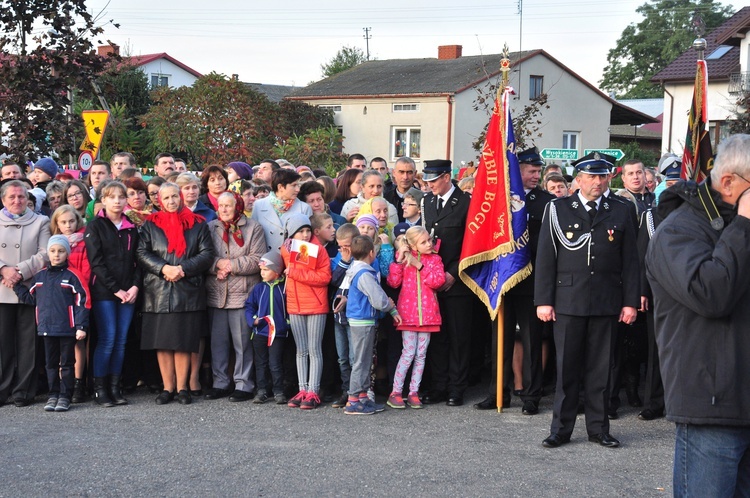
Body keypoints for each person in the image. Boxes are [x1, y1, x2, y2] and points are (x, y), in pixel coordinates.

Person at [645, 134, 750, 496]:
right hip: (711, 402)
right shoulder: (678, 231)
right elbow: (712, 294)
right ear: (729, 182)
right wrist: (745, 225)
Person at [535, 152, 639, 449]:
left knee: (600, 369)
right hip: (568, 299)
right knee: (567, 369)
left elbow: (631, 260)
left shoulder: (621, 208)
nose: (598, 181)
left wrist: (630, 301)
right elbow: (546, 258)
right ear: (577, 179)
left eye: (603, 176)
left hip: (607, 300)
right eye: (592, 176)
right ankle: (561, 429)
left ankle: (598, 428)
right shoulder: (558, 209)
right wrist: (544, 300)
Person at [476, 146, 555, 413]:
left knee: (532, 339)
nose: (536, 175)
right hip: (501, 279)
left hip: (531, 280)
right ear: (516, 171)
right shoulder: (499, 199)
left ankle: (532, 396)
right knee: (500, 339)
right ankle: (497, 391)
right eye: (531, 171)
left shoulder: (546, 203)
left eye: (538, 171)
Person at [136, 183, 214, 406]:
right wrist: (163, 268)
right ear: (159, 200)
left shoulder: (198, 224)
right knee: (163, 342)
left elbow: (207, 254)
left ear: (180, 197)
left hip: (187, 290)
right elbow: (142, 253)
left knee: (182, 342)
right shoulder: (150, 225)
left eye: (174, 197)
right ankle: (167, 387)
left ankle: (182, 388)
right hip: (158, 291)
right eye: (166, 198)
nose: (171, 201)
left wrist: (182, 269)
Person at [13, 235, 88, 412]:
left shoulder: (72, 276)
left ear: (67, 254)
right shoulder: (40, 277)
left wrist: (81, 326)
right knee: (50, 364)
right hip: (46, 328)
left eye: (61, 251)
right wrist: (16, 285)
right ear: (47, 253)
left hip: (67, 329)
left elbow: (81, 302)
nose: (56, 255)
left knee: (67, 364)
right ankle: (53, 394)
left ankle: (65, 396)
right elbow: (31, 298)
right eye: (53, 251)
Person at [420, 159, 473, 407]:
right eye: (427, 181)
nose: (429, 185)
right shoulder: (427, 202)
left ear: (446, 177)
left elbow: (471, 245)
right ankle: (439, 385)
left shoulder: (465, 203)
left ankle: (456, 387)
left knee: (459, 337)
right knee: (437, 337)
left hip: (457, 281)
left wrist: (453, 273)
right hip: (432, 282)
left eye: (432, 180)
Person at [204, 192, 266, 402]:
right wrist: (216, 266)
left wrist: (230, 265)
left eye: (228, 205)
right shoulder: (212, 227)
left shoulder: (253, 228)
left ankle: (244, 384)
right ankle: (220, 382)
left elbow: (257, 258)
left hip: (243, 293)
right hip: (217, 292)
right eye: (220, 205)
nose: (223, 209)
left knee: (242, 344)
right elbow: (204, 255)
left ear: (237, 206)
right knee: (218, 343)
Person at [84, 181, 141, 407]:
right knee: (107, 339)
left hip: (129, 292)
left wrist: (135, 286)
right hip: (105, 292)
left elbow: (139, 261)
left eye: (121, 197)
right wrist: (116, 289)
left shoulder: (131, 227)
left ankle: (116, 388)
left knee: (121, 341)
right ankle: (101, 389)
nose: (117, 201)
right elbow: (96, 263)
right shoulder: (95, 226)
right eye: (112, 197)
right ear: (103, 200)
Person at [0, 180, 51, 407]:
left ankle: (24, 390)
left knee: (28, 343)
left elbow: (45, 253)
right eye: (11, 197)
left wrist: (19, 271)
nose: (17, 201)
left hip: (29, 288)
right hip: (2, 288)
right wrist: (3, 270)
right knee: (3, 343)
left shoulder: (41, 221)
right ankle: (3, 389)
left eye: (21, 197)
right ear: (3, 200)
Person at [386, 226, 445, 409]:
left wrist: (420, 266)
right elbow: (393, 282)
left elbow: (438, 281)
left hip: (427, 316)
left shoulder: (435, 259)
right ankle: (396, 391)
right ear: (412, 245)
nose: (429, 244)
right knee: (408, 353)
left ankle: (413, 391)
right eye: (423, 242)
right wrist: (399, 261)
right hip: (409, 316)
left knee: (421, 355)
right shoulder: (404, 260)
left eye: (429, 240)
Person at [343, 235, 401, 415]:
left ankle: (362, 397)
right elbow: (378, 299)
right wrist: (390, 306)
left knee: (365, 360)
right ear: (371, 252)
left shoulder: (356, 269)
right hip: (363, 321)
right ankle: (353, 400)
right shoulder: (364, 274)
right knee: (361, 361)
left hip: (361, 320)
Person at [280, 213, 332, 409]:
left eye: (307, 230)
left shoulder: (318, 250)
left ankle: (313, 391)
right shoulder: (287, 249)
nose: (304, 235)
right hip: (295, 304)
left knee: (314, 349)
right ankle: (303, 389)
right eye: (300, 231)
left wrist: (294, 273)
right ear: (292, 234)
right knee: (301, 350)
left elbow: (324, 277)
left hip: (316, 305)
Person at [50, 205, 90, 403]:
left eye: (71, 221)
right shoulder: (53, 244)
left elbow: (86, 272)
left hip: (76, 297)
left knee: (78, 343)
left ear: (78, 221)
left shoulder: (83, 243)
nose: (68, 225)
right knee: (59, 344)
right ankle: (60, 383)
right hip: (57, 300)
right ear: (57, 224)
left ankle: (78, 382)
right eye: (63, 222)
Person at [245, 250, 290, 405]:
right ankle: (262, 390)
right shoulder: (259, 289)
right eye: (261, 270)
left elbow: (290, 308)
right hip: (260, 332)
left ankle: (278, 391)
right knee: (261, 362)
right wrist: (252, 321)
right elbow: (249, 306)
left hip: (278, 333)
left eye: (266, 270)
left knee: (275, 363)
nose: (262, 273)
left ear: (277, 271)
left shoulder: (285, 289)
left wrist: (286, 324)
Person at [252, 169, 312, 252]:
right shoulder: (259, 206)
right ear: (280, 187)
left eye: (298, 185)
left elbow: (308, 241)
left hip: (292, 260)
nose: (298, 189)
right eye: (294, 185)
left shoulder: (304, 208)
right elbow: (254, 237)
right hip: (266, 260)